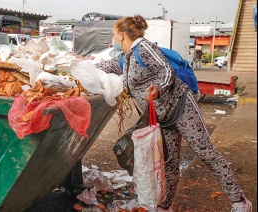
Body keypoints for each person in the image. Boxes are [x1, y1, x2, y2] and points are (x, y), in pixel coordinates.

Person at [95, 15, 252, 212]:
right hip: (163, 118)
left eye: (113, 34)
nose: (112, 38)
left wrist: (158, 88)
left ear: (121, 35)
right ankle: (164, 205)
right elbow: (101, 67)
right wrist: (74, 66)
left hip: (181, 106)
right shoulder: (125, 59)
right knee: (169, 163)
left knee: (205, 151)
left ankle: (239, 201)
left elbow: (166, 71)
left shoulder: (144, 48)